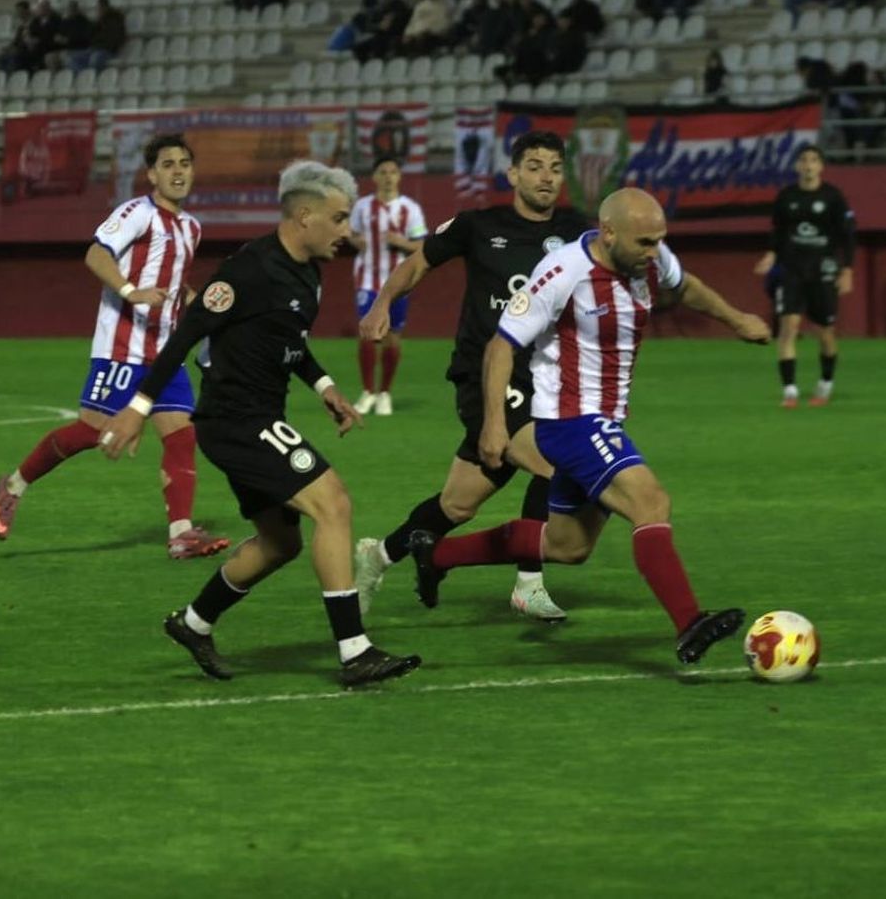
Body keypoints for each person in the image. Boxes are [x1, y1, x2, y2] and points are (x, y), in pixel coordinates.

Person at [403, 188, 770, 669]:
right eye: (644, 242)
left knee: (567, 546)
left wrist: (736, 318)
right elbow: (500, 346)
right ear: (609, 233)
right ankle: (688, 623)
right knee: (650, 501)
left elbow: (684, 286)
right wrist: (494, 424)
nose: (653, 252)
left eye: (659, 241)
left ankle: (437, 555)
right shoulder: (562, 271)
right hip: (570, 421)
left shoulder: (649, 257)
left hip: (603, 418)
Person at [96, 160, 422, 688]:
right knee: (333, 503)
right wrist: (138, 409)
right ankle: (354, 650)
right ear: (304, 216)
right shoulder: (248, 269)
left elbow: (288, 344)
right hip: (236, 420)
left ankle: (194, 623)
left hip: (257, 417)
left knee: (280, 542)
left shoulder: (309, 274)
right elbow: (184, 335)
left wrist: (325, 388)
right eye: (339, 220)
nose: (347, 231)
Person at [355, 130, 592, 623]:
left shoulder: (576, 230)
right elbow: (418, 262)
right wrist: (382, 302)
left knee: (458, 506)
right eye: (534, 166)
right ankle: (529, 584)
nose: (545, 176)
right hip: (484, 374)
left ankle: (377, 557)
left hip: (547, 379)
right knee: (555, 463)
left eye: (553, 167)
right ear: (512, 174)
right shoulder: (478, 225)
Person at [0, 134, 229, 560]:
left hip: (165, 353)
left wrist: (210, 316)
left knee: (180, 435)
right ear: (152, 174)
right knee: (91, 432)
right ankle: (13, 486)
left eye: (185, 163)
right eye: (168, 164)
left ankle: (180, 533)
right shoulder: (137, 213)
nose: (178, 171)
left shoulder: (191, 228)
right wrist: (130, 290)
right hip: (121, 347)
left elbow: (176, 289)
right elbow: (96, 255)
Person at [753, 145, 854, 408]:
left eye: (813, 160)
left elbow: (847, 235)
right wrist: (772, 254)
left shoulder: (833, 197)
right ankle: (790, 391)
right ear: (797, 166)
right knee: (788, 328)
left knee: (825, 332)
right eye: (804, 160)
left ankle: (825, 383)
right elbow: (777, 231)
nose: (808, 165)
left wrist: (848, 269)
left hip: (823, 270)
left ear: (821, 166)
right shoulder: (787, 196)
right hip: (792, 270)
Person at [349, 156, 428, 417]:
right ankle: (368, 391)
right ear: (374, 177)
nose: (388, 176)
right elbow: (349, 233)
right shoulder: (361, 207)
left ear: (399, 177)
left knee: (393, 337)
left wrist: (400, 242)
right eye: (382, 172)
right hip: (367, 279)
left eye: (393, 172)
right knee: (368, 334)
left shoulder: (410, 208)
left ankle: (384, 393)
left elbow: (421, 245)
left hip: (398, 282)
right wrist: (356, 240)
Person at [87, 0, 126, 70]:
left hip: (108, 50)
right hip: (96, 49)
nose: (98, 10)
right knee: (75, 59)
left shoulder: (115, 20)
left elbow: (114, 40)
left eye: (100, 8)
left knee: (95, 59)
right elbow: (91, 35)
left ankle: (94, 77)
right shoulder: (100, 21)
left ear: (106, 7)